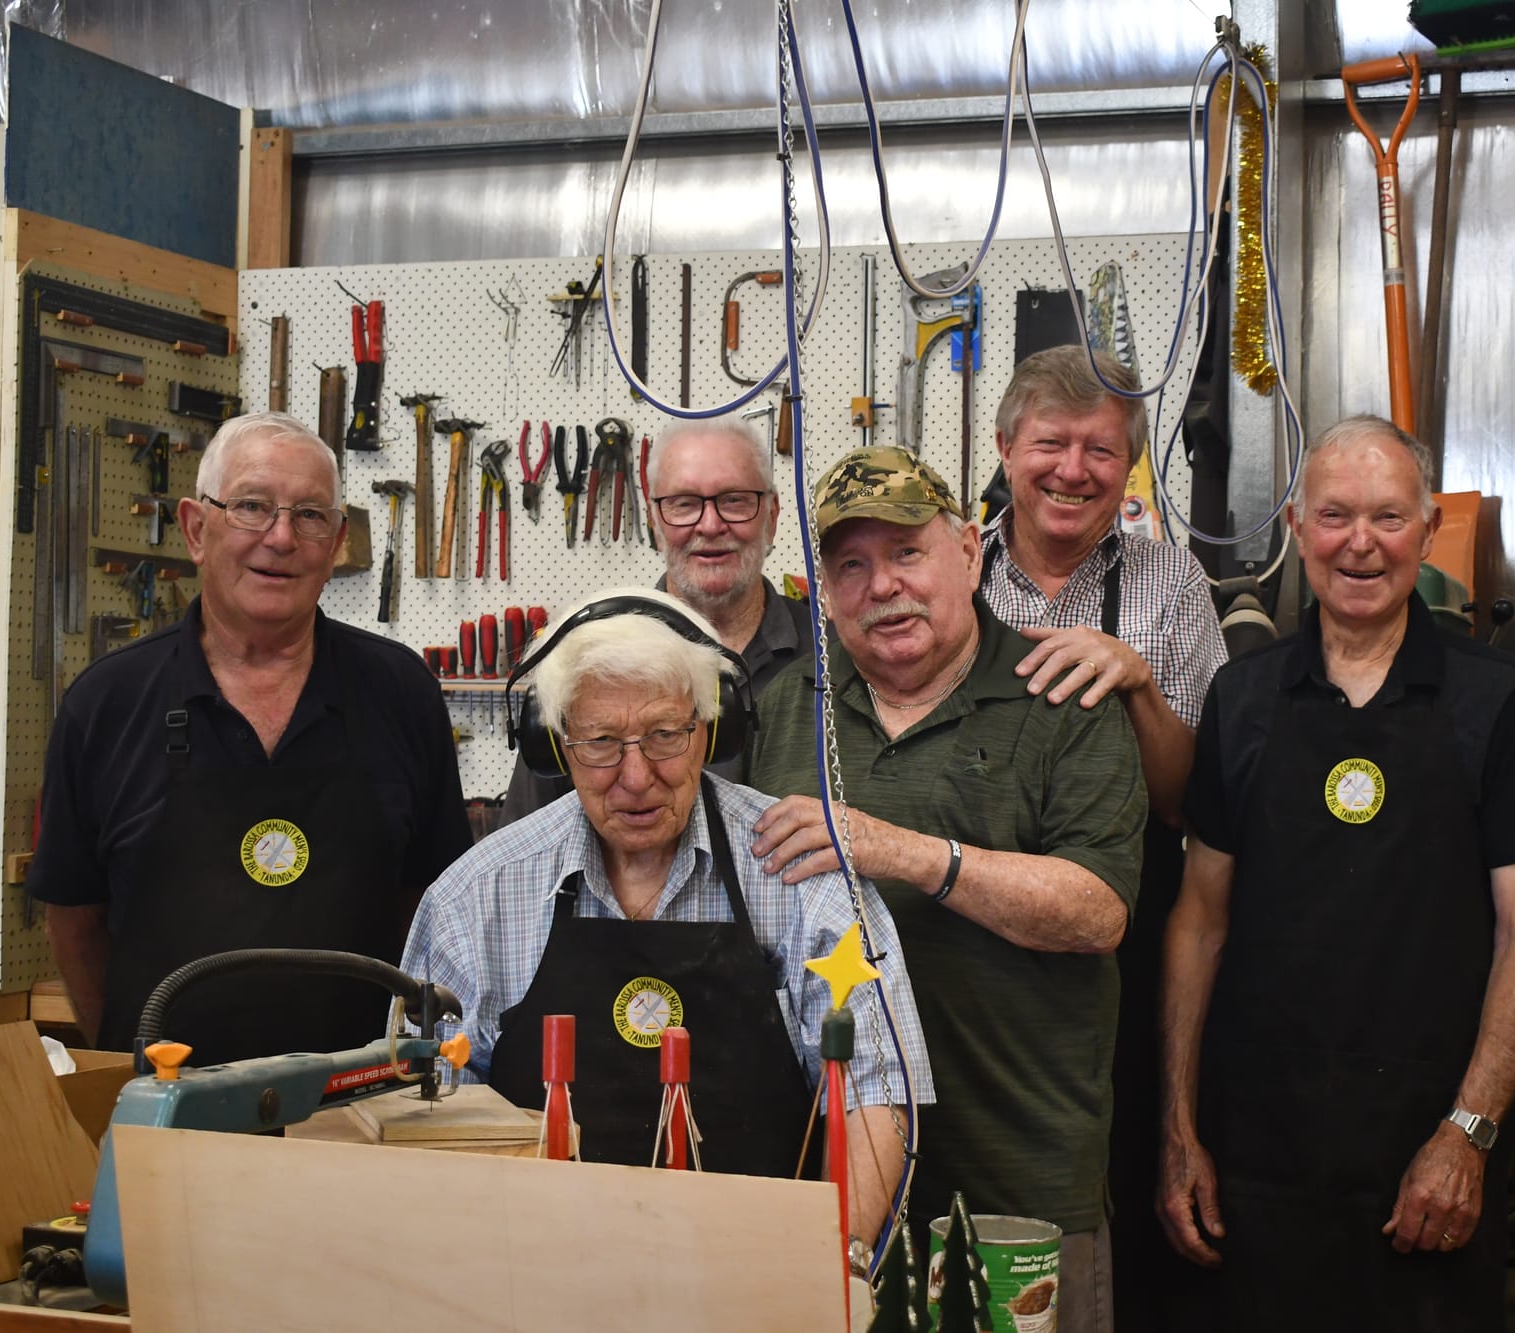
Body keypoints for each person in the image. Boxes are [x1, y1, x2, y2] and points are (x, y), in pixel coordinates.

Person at [1157, 416, 1515, 1331]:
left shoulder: (1496, 702)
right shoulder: (1243, 697)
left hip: (1426, 1162)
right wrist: (1179, 1129)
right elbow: (1199, 922)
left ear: (1427, 528)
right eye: (1335, 515)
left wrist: (1468, 1133)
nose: (1360, 543)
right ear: (1297, 527)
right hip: (1256, 1166)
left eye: (1387, 517)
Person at [744, 445, 1147, 1333]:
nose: (884, 586)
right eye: (852, 565)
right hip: (833, 1187)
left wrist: (907, 852)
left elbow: (1099, 911)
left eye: (906, 552)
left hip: (1019, 1186)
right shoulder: (789, 704)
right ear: (823, 589)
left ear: (968, 552)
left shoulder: (1060, 695)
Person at [403, 588, 930, 1249]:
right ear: (556, 746)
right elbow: (425, 1118)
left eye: (664, 736)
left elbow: (878, 1097)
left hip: (761, 1273)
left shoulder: (805, 880)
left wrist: (830, 1270)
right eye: (600, 741)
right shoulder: (474, 897)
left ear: (710, 729)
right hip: (532, 1273)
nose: (635, 777)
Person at [27, 411, 472, 1066]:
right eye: (252, 507)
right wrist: (136, 1068)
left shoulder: (402, 693)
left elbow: (433, 908)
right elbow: (75, 922)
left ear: (337, 542)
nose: (281, 537)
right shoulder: (104, 704)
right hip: (166, 1107)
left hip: (362, 1104)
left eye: (310, 515)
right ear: (195, 529)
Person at [984, 345, 1225, 1324]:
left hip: (1119, 937)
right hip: (971, 929)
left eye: (1102, 450)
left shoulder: (1171, 583)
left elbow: (1186, 802)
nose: (1074, 470)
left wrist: (1137, 682)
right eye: (1052, 443)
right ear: (1005, 447)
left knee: (1111, 1177)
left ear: (1128, 467)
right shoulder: (948, 569)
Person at [496, 420, 811, 824]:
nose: (710, 525)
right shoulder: (586, 663)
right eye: (684, 503)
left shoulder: (835, 659)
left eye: (734, 500)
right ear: (654, 521)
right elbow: (524, 842)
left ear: (772, 514)